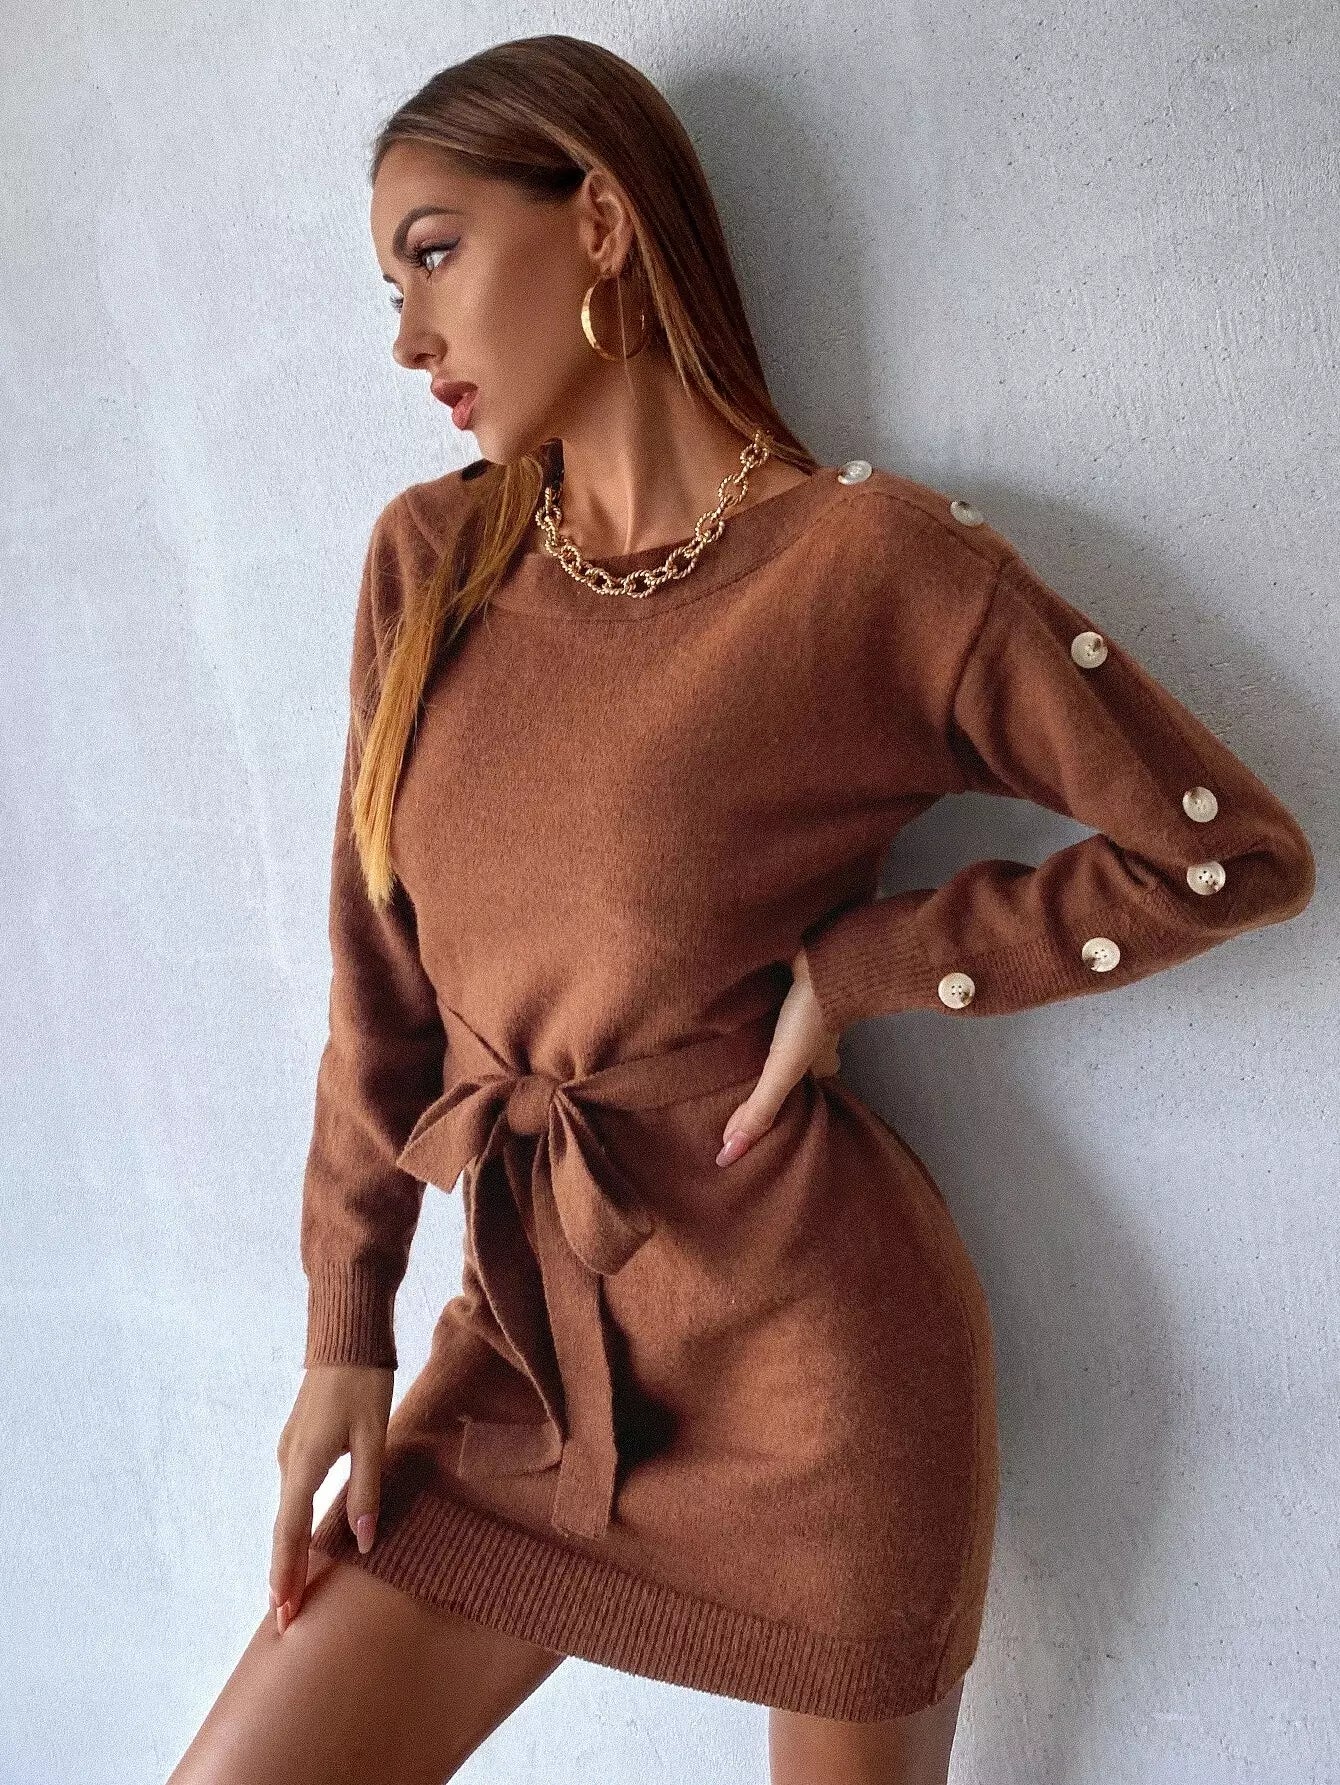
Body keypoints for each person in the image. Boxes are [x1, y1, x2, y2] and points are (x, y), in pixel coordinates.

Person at [167, 33, 1316, 1785]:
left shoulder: (866, 566)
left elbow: (1226, 853)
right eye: (393, 285)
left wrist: (867, 966)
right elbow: (377, 995)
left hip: (819, 1394)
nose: (407, 338)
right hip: (524, 1367)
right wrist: (346, 1328)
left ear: (600, 221)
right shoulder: (429, 564)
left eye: (434, 254)